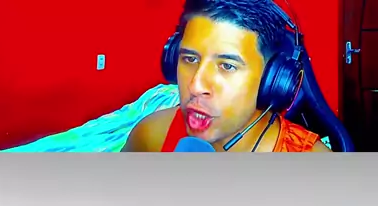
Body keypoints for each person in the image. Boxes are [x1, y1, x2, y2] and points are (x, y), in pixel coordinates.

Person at [123, 0, 330, 154]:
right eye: (190, 59)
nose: (196, 86)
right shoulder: (152, 136)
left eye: (227, 66)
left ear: (272, 81)